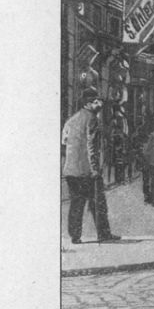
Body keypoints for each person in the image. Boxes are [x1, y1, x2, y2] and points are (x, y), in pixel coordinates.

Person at [62, 89, 121, 244]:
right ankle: (103, 233)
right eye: (96, 101)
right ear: (88, 104)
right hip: (87, 171)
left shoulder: (71, 120)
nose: (99, 103)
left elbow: (64, 142)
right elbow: (91, 147)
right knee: (98, 203)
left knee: (76, 203)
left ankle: (75, 236)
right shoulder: (92, 119)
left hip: (70, 170)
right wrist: (95, 169)